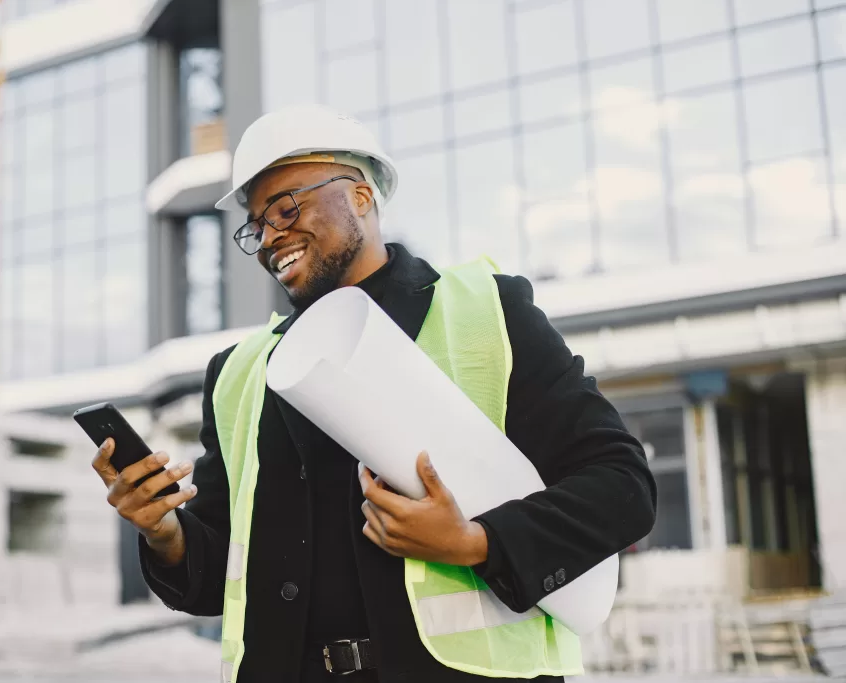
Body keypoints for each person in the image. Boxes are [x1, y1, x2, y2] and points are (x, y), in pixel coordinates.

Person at [93, 104, 656, 682]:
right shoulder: (238, 373)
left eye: (286, 207)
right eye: (255, 225)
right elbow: (216, 577)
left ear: (361, 196)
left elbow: (622, 486)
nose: (269, 237)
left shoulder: (486, 311)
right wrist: (163, 531)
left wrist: (475, 541)